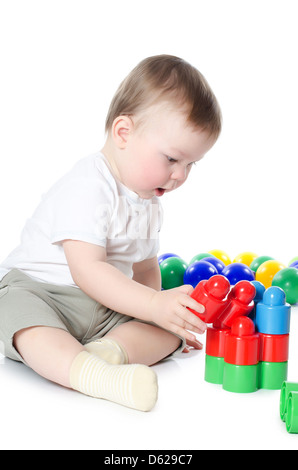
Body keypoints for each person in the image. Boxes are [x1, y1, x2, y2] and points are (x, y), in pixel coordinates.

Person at [0, 55, 222, 411]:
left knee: (169, 331)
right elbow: (86, 270)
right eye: (171, 159)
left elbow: (146, 272)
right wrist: (151, 305)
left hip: (102, 305)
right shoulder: (88, 185)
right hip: (41, 291)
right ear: (124, 133)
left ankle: (105, 354)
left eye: (190, 164)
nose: (180, 175)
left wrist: (156, 312)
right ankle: (96, 377)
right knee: (24, 323)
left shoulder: (149, 203)